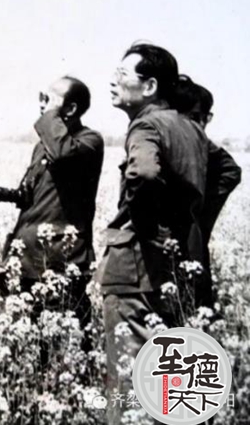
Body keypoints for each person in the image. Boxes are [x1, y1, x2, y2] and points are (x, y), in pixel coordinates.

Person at [97, 43, 209, 424]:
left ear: (149, 87)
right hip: (177, 271)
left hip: (136, 270)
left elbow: (143, 174)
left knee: (129, 390)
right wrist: (189, 225)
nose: (113, 81)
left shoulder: (145, 125)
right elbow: (223, 172)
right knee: (168, 390)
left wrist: (145, 227)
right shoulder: (191, 128)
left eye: (122, 74)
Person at [0, 76, 104, 334]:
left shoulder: (89, 141)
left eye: (48, 99)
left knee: (62, 338)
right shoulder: (44, 146)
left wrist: (51, 117)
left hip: (60, 261)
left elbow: (62, 152)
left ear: (71, 108)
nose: (42, 105)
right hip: (27, 259)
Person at [173, 76, 242, 307]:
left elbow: (230, 171)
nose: (201, 125)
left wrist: (197, 207)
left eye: (205, 118)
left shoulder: (201, 142)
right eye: (195, 117)